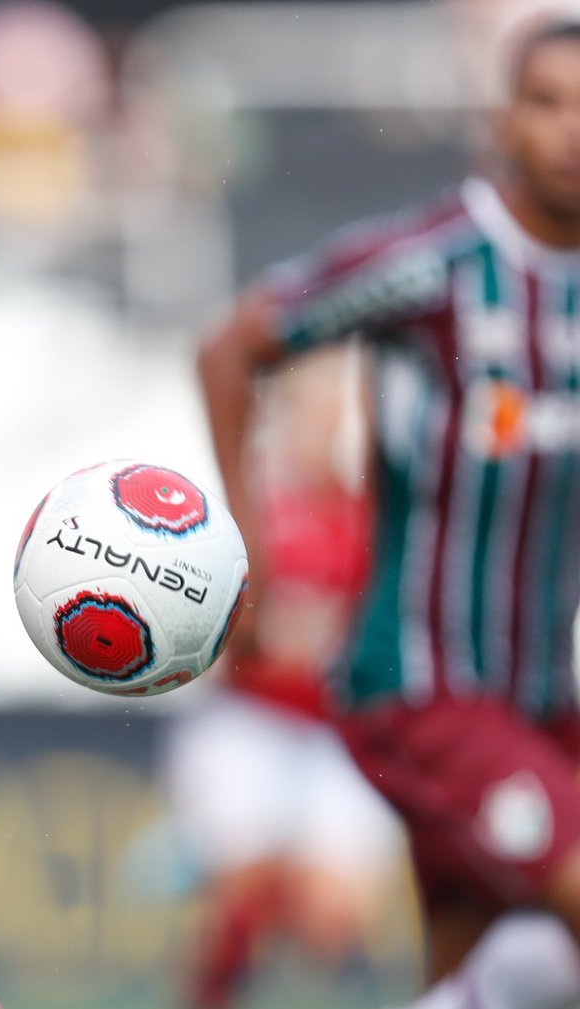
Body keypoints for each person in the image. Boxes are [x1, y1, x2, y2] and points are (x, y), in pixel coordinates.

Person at [197, 15, 580, 1009]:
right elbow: (233, 348)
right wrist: (251, 551)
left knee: (505, 969)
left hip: (545, 698)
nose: (571, 131)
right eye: (547, 103)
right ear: (502, 119)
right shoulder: (436, 262)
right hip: (421, 686)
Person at [164, 348, 401, 1007]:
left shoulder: (369, 514)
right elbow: (213, 637)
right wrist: (271, 638)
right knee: (242, 894)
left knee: (332, 921)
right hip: (251, 722)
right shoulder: (251, 508)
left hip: (338, 733)